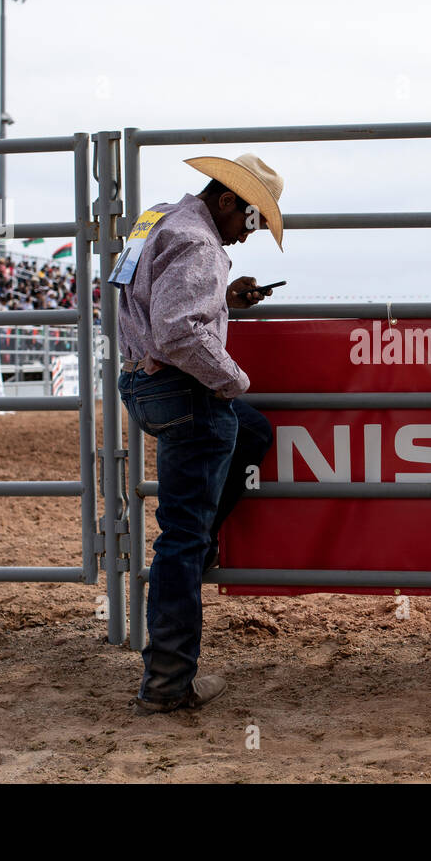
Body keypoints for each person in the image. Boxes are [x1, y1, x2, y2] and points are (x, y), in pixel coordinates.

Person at [115, 153, 284, 714]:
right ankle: (167, 684)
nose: (246, 236)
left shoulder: (157, 220)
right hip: (185, 391)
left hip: (142, 385)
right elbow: (180, 332)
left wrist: (223, 298)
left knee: (251, 433)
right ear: (229, 201)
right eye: (251, 221)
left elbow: (143, 299)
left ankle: (203, 536)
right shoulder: (201, 244)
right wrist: (232, 378)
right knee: (180, 540)